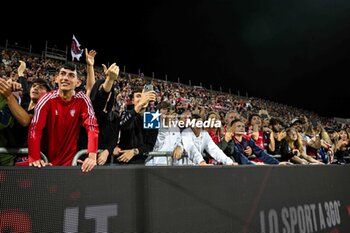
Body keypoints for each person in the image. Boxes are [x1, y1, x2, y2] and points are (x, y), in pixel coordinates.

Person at [28, 62, 99, 172]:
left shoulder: (83, 100)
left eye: (71, 75)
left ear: (78, 82)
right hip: (46, 162)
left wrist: (92, 156)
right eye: (63, 74)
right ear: (56, 78)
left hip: (70, 163)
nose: (65, 78)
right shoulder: (46, 99)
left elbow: (92, 127)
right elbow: (35, 128)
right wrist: (34, 157)